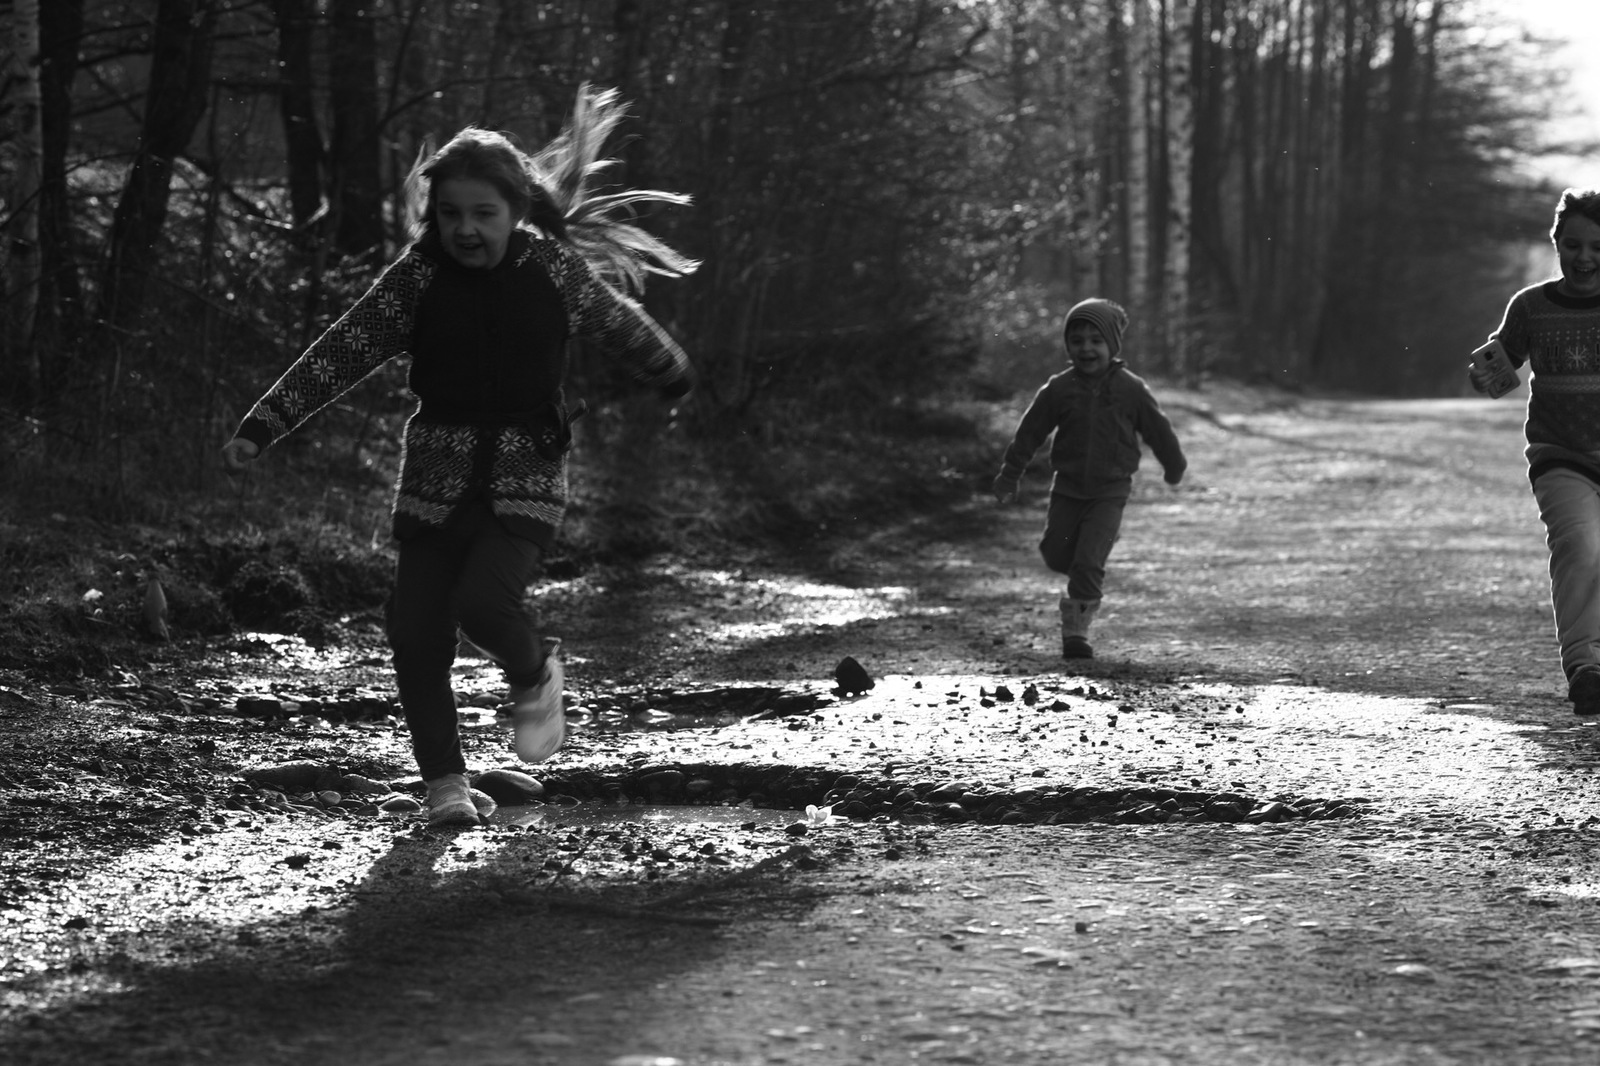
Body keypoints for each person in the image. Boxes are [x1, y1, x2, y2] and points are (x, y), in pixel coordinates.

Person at [221, 86, 697, 826]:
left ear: (516, 211)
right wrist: (266, 420)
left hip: (526, 477)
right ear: (432, 216)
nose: (466, 230)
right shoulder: (416, 279)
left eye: (483, 214)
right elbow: (342, 348)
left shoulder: (554, 272)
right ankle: (446, 783)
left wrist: (670, 370)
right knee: (415, 634)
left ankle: (536, 674)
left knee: (484, 602)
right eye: (450, 215)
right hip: (433, 484)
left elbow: (619, 321)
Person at [992, 298, 1186, 660]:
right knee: (1054, 554)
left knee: (1087, 563)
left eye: (1096, 341)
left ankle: (1076, 632)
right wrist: (1009, 474)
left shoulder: (1131, 389)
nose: (1086, 348)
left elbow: (1158, 430)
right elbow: (1030, 432)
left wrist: (1173, 465)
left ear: (1112, 346)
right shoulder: (1058, 389)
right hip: (1066, 488)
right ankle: (1090, 553)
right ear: (1068, 346)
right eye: (1077, 340)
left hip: (1110, 490)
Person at [1470, 186, 1600, 717]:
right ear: (1557, 244)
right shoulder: (1531, 306)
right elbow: (1500, 371)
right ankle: (1586, 668)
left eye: (1597, 246)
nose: (1585, 257)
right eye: (1573, 245)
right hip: (1559, 453)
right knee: (1581, 546)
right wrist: (1484, 374)